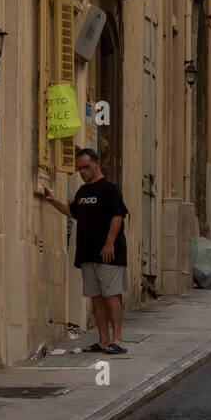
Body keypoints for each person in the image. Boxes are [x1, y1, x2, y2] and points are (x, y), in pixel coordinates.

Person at [41, 148, 129, 355]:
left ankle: (118, 340)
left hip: (109, 254)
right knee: (96, 299)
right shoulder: (82, 192)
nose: (82, 172)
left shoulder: (110, 189)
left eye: (86, 167)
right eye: (79, 169)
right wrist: (53, 201)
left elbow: (118, 216)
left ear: (97, 164)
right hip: (87, 254)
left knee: (111, 296)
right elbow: (72, 212)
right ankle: (103, 340)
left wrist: (109, 243)